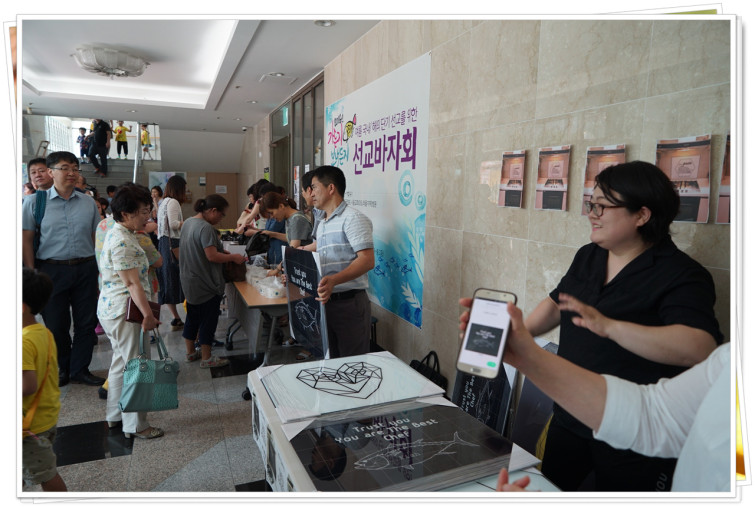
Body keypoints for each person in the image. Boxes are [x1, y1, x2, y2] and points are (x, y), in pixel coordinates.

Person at [514, 161, 723, 491]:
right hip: (572, 412)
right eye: (591, 204)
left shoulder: (682, 274)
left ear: (642, 215)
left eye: (602, 206)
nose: (592, 214)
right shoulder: (589, 255)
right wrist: (517, 336)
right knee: (551, 489)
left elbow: (699, 347)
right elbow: (557, 304)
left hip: (634, 433)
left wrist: (610, 327)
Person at [458, 302, 730, 493]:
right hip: (570, 421)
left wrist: (612, 328)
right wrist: (525, 356)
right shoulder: (730, 361)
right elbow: (652, 414)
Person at [22, 151, 104, 387]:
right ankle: (62, 367)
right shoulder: (34, 203)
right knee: (56, 324)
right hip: (51, 270)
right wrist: (32, 273)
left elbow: (96, 237)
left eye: (75, 168)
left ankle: (80, 369)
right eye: (65, 168)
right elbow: (26, 239)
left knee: (86, 322)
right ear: (51, 172)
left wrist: (100, 269)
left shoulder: (88, 202)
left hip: (86, 267)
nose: (71, 173)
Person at [97, 183, 164, 439]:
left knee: (120, 364)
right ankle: (137, 425)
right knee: (138, 367)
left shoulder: (119, 232)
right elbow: (132, 284)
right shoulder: (123, 241)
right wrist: (148, 315)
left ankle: (114, 415)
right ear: (125, 214)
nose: (148, 216)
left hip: (113, 309)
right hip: (127, 312)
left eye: (149, 210)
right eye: (144, 212)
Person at [305, 165, 374, 358]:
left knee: (353, 363)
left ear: (331, 188)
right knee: (331, 361)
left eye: (314, 187)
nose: (311, 194)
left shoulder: (353, 219)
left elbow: (367, 260)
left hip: (349, 304)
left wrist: (334, 280)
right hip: (326, 303)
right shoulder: (323, 222)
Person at [179, 194, 245, 368]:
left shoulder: (188, 223)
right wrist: (233, 258)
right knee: (208, 321)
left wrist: (224, 254)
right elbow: (211, 256)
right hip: (205, 283)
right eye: (221, 215)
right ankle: (207, 358)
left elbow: (199, 251)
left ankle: (190, 353)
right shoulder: (206, 228)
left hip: (189, 280)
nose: (221, 219)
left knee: (192, 317)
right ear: (213, 210)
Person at [22, 267, 67, 492]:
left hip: (28, 426)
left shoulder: (22, 342)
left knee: (46, 474)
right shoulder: (43, 332)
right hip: (44, 416)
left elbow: (28, 385)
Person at [156, 175, 187, 330]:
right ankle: (186, 318)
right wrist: (189, 223)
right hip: (173, 244)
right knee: (180, 278)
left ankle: (176, 318)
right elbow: (174, 224)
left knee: (167, 280)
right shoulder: (173, 202)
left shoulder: (163, 202)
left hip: (163, 243)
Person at [259, 190, 313, 272]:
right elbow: (292, 237)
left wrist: (276, 270)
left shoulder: (296, 219)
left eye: (271, 213)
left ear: (281, 206)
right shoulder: (290, 219)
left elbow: (293, 249)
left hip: (306, 265)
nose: (272, 217)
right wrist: (272, 234)